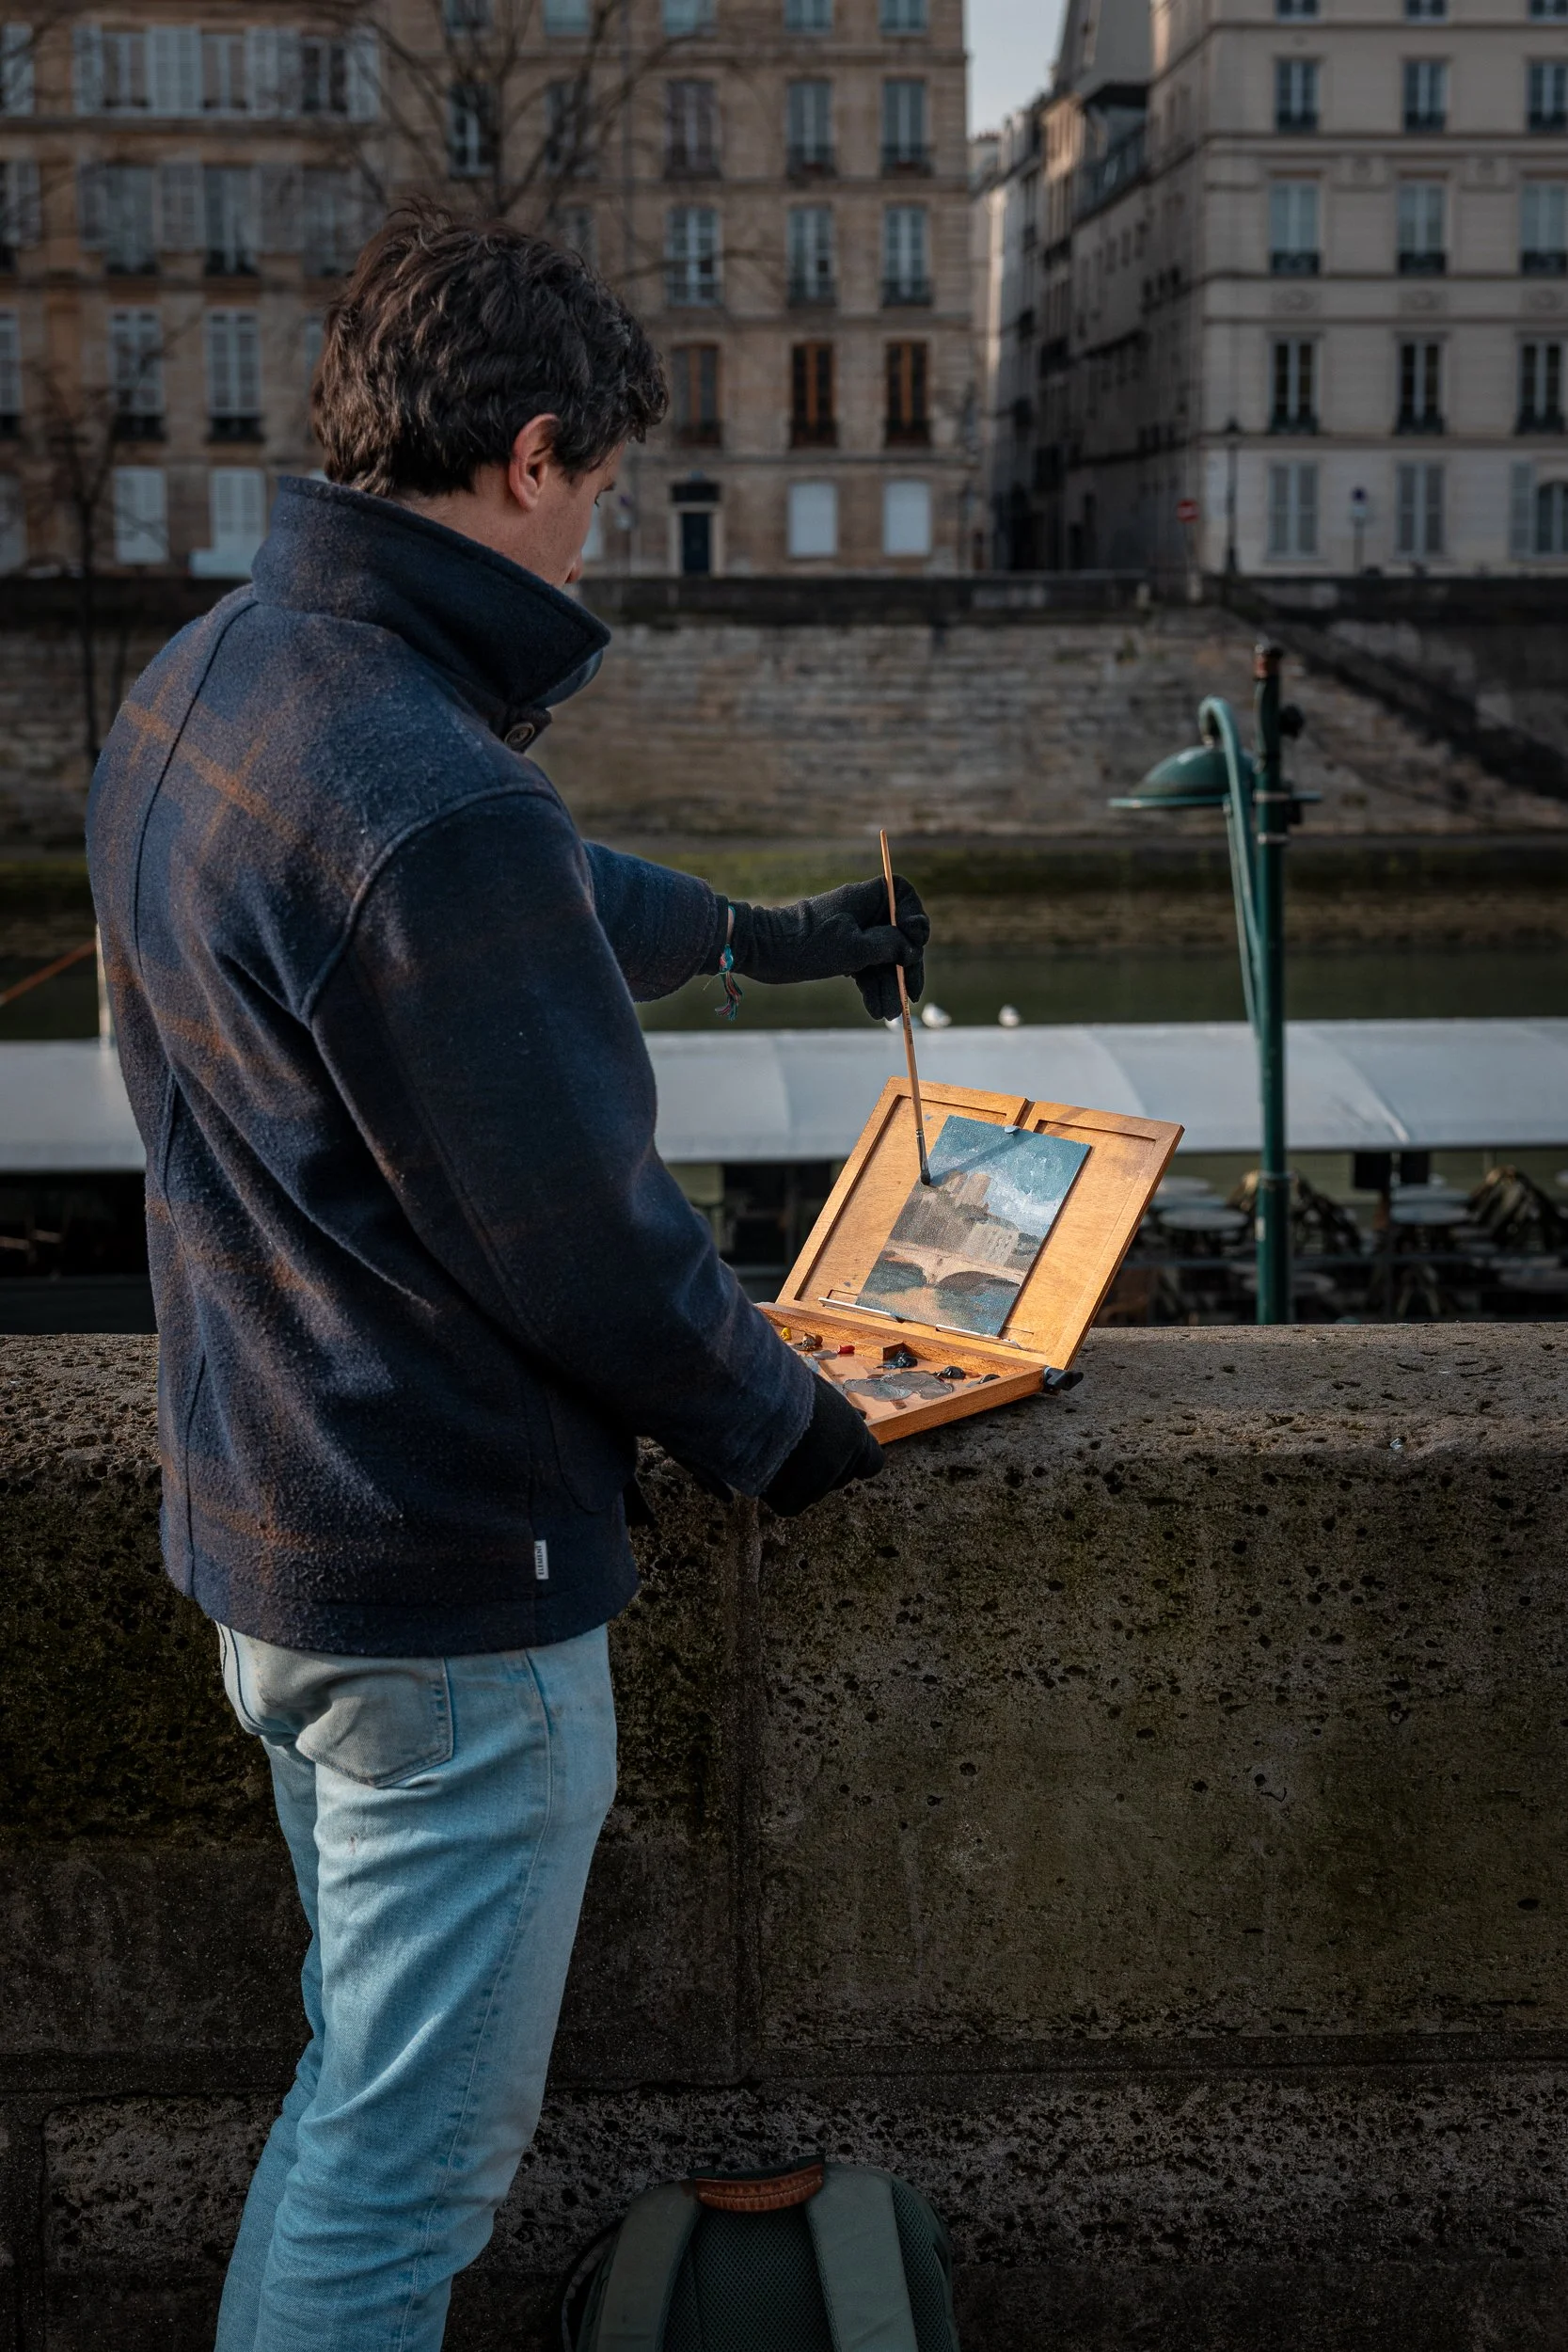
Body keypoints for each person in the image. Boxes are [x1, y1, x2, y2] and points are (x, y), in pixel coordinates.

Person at [86, 204, 930, 2352]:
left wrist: (749, 934)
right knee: (398, 2173)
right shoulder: (429, 782)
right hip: (450, 1580)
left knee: (348, 2097)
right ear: (534, 454)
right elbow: (585, 1241)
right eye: (604, 494)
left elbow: (475, 898)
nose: (596, 545)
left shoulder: (215, 677)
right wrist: (789, 1423)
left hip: (267, 1524)